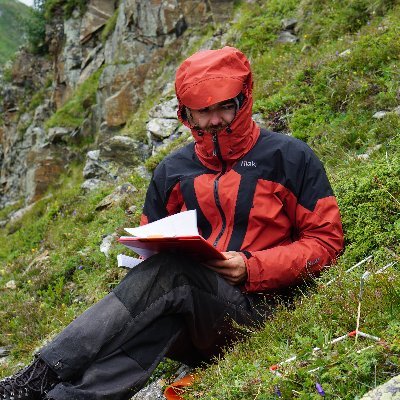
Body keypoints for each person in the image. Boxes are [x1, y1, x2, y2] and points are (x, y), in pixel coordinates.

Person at [0, 46, 344, 400]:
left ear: (244, 99)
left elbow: (326, 242)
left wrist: (252, 268)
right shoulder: (171, 172)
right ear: (186, 114)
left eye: (225, 106)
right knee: (163, 302)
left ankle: (33, 380)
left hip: (262, 312)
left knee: (172, 276)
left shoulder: (289, 157)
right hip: (195, 319)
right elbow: (152, 245)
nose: (215, 120)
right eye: (203, 110)